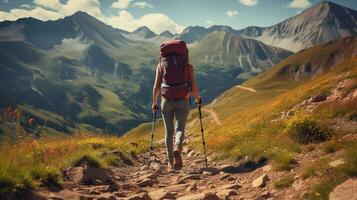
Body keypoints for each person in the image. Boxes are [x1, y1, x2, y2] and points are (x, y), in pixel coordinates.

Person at [152, 40, 201, 171]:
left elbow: (156, 86)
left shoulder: (161, 65)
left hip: (166, 100)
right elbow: (194, 88)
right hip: (183, 100)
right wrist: (198, 99)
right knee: (180, 128)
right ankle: (177, 147)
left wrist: (154, 102)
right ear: (184, 53)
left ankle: (170, 163)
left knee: (169, 132)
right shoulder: (188, 67)